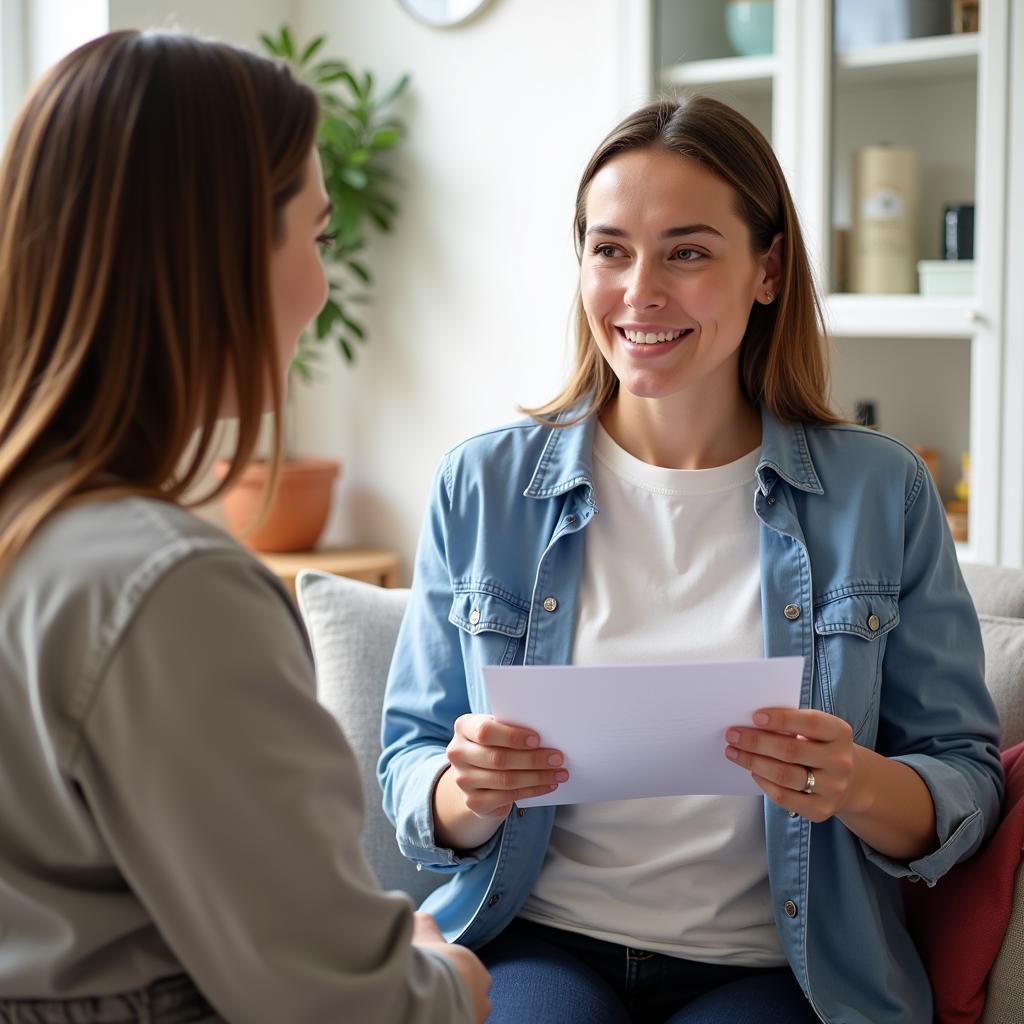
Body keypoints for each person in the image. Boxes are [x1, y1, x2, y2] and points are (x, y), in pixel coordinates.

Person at [378, 96, 1004, 1024]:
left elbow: (965, 773)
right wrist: (463, 792)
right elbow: (409, 760)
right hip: (535, 938)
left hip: (779, 966)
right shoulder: (481, 486)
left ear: (767, 270)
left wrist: (860, 784)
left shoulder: (886, 490)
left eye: (688, 250)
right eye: (610, 249)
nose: (640, 291)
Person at [0, 30, 490, 1024]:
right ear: (215, 253)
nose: (318, 284)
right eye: (313, 235)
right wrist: (443, 979)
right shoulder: (168, 588)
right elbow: (341, 1006)